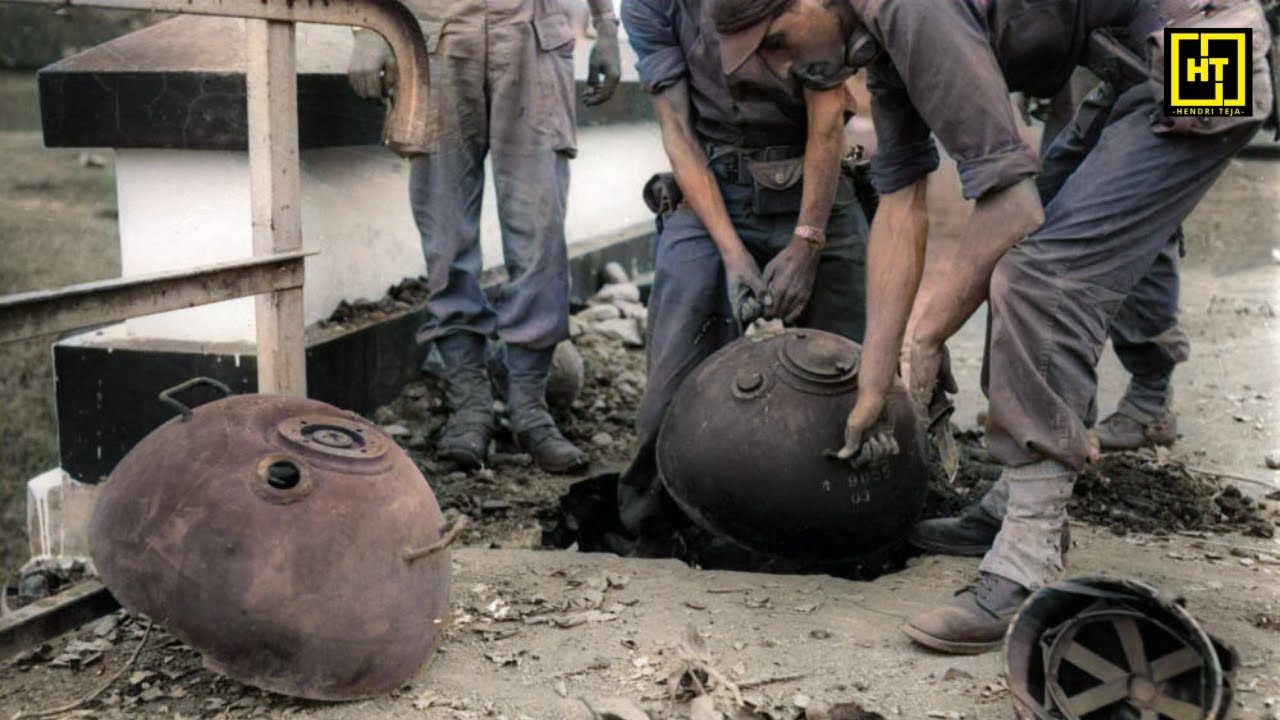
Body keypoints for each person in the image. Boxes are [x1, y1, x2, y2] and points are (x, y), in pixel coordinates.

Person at [711, 0, 1273, 652]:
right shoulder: (879, 43)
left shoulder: (908, 10)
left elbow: (1011, 209)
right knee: (1038, 252)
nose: (783, 67)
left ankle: (1028, 557)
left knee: (1038, 282)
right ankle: (1016, 498)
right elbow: (900, 206)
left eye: (778, 41)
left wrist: (924, 336)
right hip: (1137, 63)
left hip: (1208, 52)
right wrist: (875, 378)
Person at [617, 0, 870, 553]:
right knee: (673, 382)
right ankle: (654, 533)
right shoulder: (646, 7)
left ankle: (856, 536)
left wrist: (807, 243)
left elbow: (827, 125)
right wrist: (733, 258)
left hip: (815, 185)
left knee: (851, 375)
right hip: (711, 187)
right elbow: (677, 131)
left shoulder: (801, 12)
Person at [347, 0, 622, 473]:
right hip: (438, 32)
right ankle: (468, 405)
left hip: (535, 33)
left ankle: (530, 409)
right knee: (446, 235)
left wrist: (606, 25)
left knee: (540, 236)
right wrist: (368, 31)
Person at [1030, 75, 1189, 451]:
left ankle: (1150, 397)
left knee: (1147, 201)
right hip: (1103, 49)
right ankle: (1061, 405)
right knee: (1048, 196)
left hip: (1195, 42)